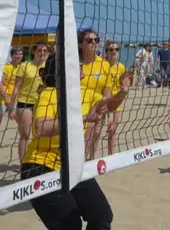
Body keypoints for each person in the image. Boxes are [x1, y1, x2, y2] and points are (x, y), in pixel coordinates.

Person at [20, 52, 132, 229]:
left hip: (72, 165)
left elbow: (109, 104)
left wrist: (123, 92)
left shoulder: (85, 93)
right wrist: (84, 118)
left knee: (102, 215)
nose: (80, 65)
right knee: (69, 224)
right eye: (75, 62)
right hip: (40, 166)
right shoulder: (50, 93)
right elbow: (42, 128)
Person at [78, 30, 115, 161]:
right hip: (77, 110)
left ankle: (90, 165)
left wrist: (108, 115)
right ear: (81, 45)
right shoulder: (75, 65)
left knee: (94, 138)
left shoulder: (104, 65)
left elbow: (107, 93)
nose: (94, 43)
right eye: (89, 40)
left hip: (97, 109)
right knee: (83, 141)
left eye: (96, 40)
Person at [9, 43, 49, 160]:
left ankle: (36, 161)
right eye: (39, 50)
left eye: (45, 51)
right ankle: (23, 163)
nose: (42, 53)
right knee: (25, 134)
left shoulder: (49, 66)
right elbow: (17, 87)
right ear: (33, 52)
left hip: (42, 103)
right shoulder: (25, 65)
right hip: (25, 102)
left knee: (40, 134)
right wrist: (11, 107)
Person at [105, 41, 127, 156]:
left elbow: (123, 85)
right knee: (98, 131)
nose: (114, 52)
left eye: (116, 49)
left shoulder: (121, 67)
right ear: (107, 52)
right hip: (105, 101)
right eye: (111, 50)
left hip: (116, 101)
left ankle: (111, 156)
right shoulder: (104, 66)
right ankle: (91, 158)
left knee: (113, 131)